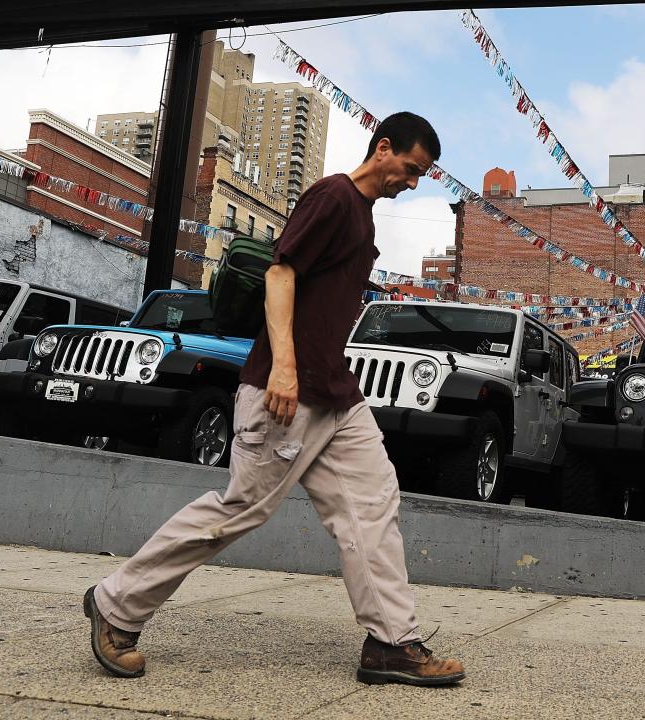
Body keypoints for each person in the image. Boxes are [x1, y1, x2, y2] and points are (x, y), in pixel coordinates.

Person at [84, 111, 466, 687]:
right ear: (383, 148)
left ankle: (391, 643)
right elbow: (281, 274)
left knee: (374, 504)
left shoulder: (359, 216)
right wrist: (284, 368)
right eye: (411, 169)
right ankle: (116, 606)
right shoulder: (333, 197)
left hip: (335, 394)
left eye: (421, 176)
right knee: (242, 508)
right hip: (287, 390)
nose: (411, 183)